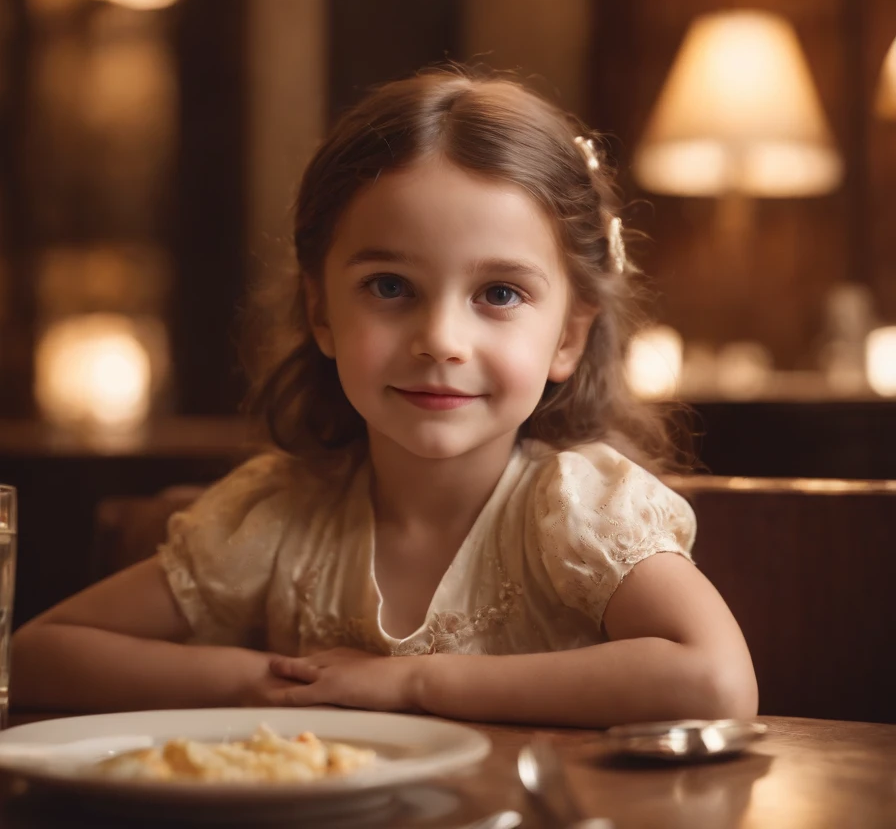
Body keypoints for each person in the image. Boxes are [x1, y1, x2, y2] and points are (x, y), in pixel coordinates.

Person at [12, 66, 757, 726]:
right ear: (322, 313)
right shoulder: (278, 519)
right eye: (390, 287)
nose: (441, 339)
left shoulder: (575, 512)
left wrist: (414, 683)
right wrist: (272, 684)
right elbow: (39, 655)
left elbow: (717, 681)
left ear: (568, 337)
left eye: (498, 293)